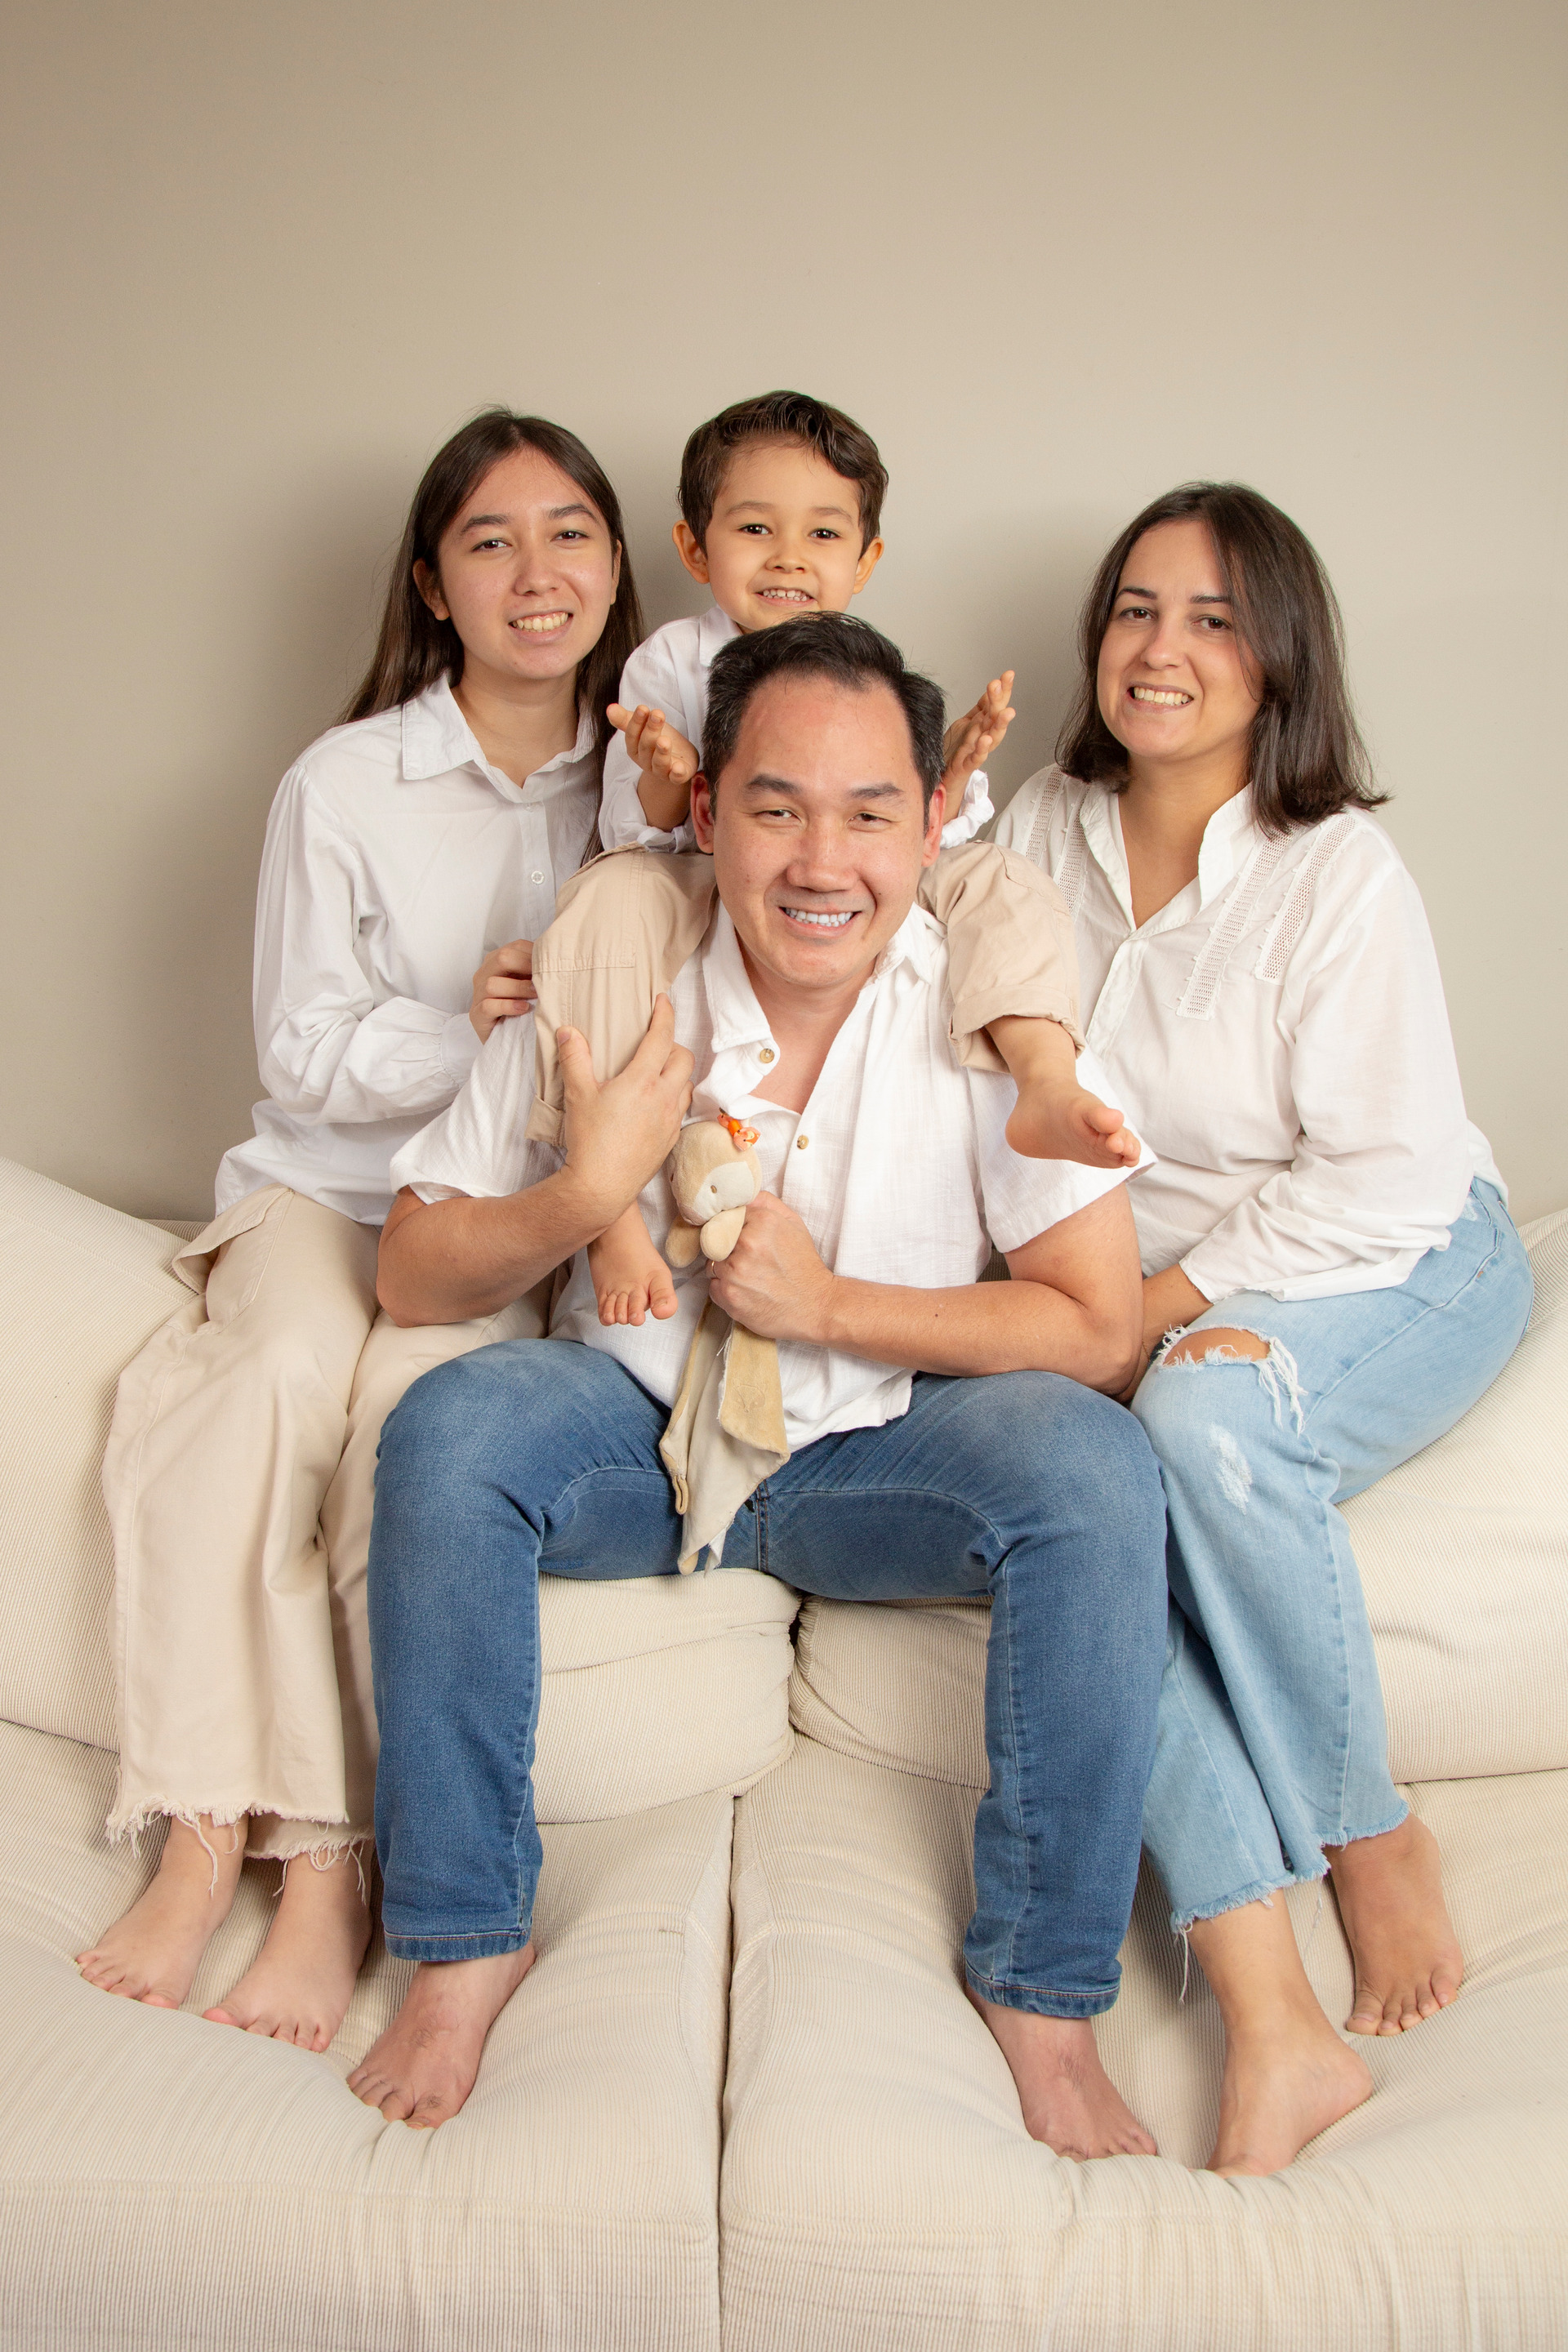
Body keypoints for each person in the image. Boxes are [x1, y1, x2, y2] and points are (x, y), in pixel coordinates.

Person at [348, 613, 1170, 2156]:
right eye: (777, 807)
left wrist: (838, 1306)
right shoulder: (613, 968)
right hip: (636, 1435)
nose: (822, 861)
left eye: (871, 813)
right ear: (706, 810)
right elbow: (407, 1270)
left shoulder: (987, 1011)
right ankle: (462, 1946)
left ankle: (1044, 1998)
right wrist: (581, 1196)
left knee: (1096, 1472)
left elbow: (1098, 1327)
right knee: (451, 1428)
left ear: (933, 823)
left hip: (881, 1456)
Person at [77, 409, 644, 2051]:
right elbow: (299, 1049)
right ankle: (219, 1836)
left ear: (616, 564)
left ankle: (332, 1883)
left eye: (569, 535)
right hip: (327, 1189)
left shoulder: (655, 786)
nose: (537, 574)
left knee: (401, 1445)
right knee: (251, 1400)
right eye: (491, 541)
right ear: (432, 582)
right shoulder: (346, 780)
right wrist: (461, 1034)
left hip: (495, 1231)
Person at [994, 482, 1534, 2176]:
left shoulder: (1338, 874)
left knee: (1207, 1428)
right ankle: (1273, 2025)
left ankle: (1372, 1839)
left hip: (1396, 1248)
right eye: (1138, 610)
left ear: (1279, 656)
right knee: (1089, 1528)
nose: (1163, 651)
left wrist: (1147, 1317)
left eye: (1215, 620)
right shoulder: (1038, 830)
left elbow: (1377, 1173)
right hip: (1136, 1290)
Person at [525, 391, 1138, 1332]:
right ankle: (602, 1195)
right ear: (696, 550)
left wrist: (957, 770)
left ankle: (1045, 1076)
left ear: (864, 561)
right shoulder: (669, 665)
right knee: (610, 904)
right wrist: (670, 778)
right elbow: (636, 834)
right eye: (756, 528)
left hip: (839, 884)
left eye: (821, 533)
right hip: (696, 869)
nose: (787, 557)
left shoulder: (870, 676)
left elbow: (924, 832)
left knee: (1004, 882)